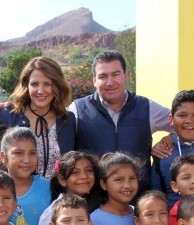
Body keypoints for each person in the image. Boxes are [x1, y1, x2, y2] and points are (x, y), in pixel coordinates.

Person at [68, 50, 172, 190]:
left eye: (115, 74)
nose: (110, 82)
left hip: (137, 199)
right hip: (94, 201)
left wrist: (170, 139)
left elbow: (187, 125)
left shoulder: (147, 107)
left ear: (126, 76)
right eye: (103, 76)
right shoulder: (78, 109)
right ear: (94, 80)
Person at [0, 56, 76, 178]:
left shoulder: (67, 120)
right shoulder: (8, 117)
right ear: (26, 86)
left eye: (47, 84)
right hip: (16, 195)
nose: (40, 91)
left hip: (58, 195)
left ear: (57, 86)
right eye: (35, 84)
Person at [36, 150, 103, 225]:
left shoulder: (95, 206)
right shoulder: (53, 212)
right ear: (62, 179)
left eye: (89, 170)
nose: (84, 176)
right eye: (75, 172)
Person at [0, 127, 51, 225]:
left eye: (32, 153)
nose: (27, 160)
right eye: (18, 153)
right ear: (3, 157)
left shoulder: (47, 188)